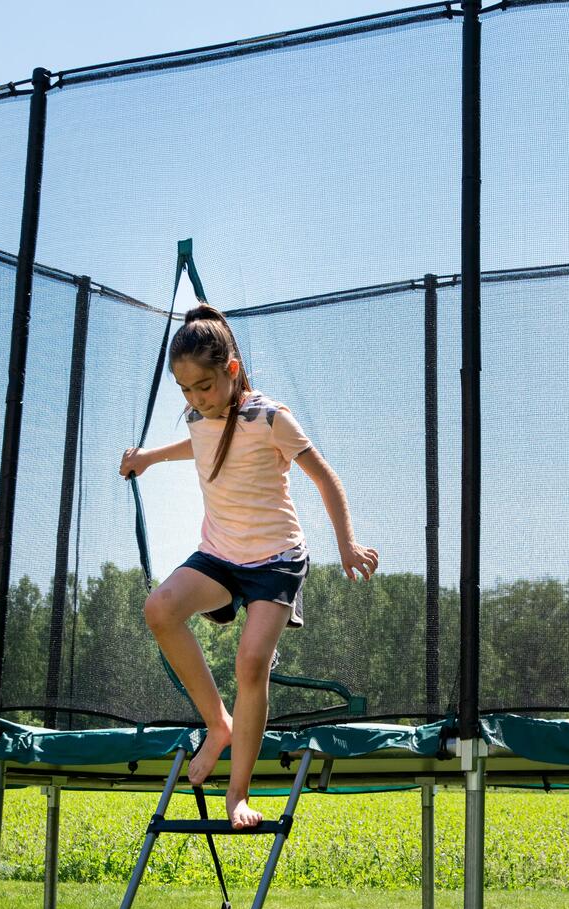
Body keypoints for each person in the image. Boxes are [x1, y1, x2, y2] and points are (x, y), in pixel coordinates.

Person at [119, 304, 378, 829]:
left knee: (250, 664)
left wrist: (347, 545)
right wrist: (148, 457)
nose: (196, 399)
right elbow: (194, 443)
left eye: (205, 386)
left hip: (276, 561)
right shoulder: (198, 418)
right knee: (160, 609)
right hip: (220, 556)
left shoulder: (270, 419)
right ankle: (219, 724)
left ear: (232, 371)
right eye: (186, 390)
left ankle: (238, 793)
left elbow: (325, 478)